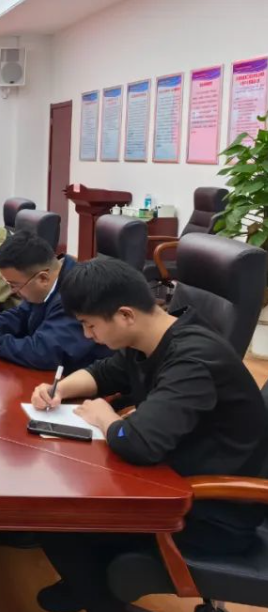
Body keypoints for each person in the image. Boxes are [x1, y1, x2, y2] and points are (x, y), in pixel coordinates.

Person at [30, 257, 268, 612]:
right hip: (175, 478)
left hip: (213, 513)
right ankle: (86, 586)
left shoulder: (193, 358)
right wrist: (59, 389)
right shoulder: (150, 337)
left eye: (90, 325)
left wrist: (105, 417)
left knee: (56, 518)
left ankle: (99, 599)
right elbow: (103, 373)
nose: (88, 335)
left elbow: (139, 443)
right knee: (67, 500)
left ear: (125, 315)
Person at [0, 231, 110, 370]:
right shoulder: (47, 284)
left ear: (43, 278)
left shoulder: (76, 294)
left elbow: (45, 352)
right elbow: (22, 313)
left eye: (14, 285)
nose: (12, 291)